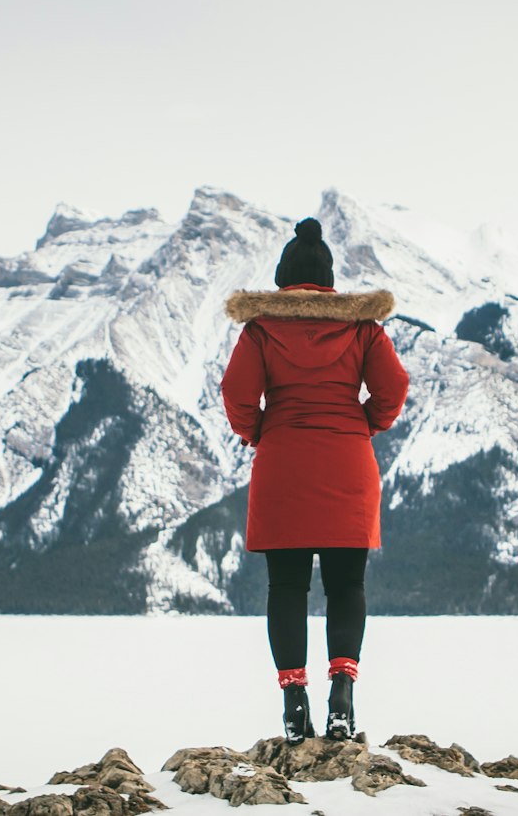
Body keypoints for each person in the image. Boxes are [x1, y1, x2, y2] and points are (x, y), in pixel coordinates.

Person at [219, 216, 410, 745]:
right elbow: (393, 386)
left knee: (286, 587)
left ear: (283, 280)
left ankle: (292, 698)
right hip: (349, 465)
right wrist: (365, 423)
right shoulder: (364, 328)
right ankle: (343, 693)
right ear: (328, 280)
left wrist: (259, 431)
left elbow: (236, 392)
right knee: (347, 586)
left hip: (283, 466)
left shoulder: (260, 330)